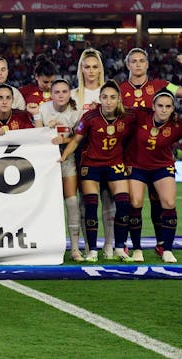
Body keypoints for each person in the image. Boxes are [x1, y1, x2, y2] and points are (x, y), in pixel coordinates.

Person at [119, 47, 182, 255]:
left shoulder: (160, 86)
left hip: (157, 155)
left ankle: (162, 242)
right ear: (127, 65)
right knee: (128, 202)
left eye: (142, 61)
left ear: (147, 64)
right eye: (133, 61)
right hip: (127, 156)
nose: (138, 64)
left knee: (159, 200)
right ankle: (125, 243)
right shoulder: (118, 90)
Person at [126, 92, 182, 263]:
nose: (163, 110)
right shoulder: (140, 115)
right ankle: (136, 248)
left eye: (168, 107)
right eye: (160, 106)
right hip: (137, 166)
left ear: (173, 109)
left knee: (169, 203)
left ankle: (166, 249)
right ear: (153, 106)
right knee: (135, 202)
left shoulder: (177, 124)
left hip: (162, 167)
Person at [59, 80, 136, 263]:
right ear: (100, 99)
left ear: (119, 100)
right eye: (105, 97)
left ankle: (119, 248)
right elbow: (76, 140)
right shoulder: (89, 117)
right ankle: (92, 250)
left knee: (124, 204)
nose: (108, 101)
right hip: (91, 164)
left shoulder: (128, 117)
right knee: (91, 205)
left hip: (115, 164)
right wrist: (63, 157)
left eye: (112, 97)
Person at [71, 47, 115, 259]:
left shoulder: (110, 94)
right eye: (87, 66)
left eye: (95, 66)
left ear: (100, 69)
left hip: (108, 150)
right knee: (85, 202)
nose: (91, 71)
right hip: (83, 152)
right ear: (81, 69)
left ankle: (109, 245)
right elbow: (70, 126)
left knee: (108, 200)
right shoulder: (72, 96)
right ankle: (89, 247)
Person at [41, 79, 83, 261]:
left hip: (67, 160)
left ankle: (75, 249)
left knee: (72, 202)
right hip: (44, 162)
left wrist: (64, 141)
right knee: (46, 205)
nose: (60, 95)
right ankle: (45, 247)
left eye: (64, 92)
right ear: (51, 94)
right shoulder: (42, 109)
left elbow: (79, 137)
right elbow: (33, 134)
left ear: (69, 94)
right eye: (56, 92)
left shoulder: (76, 112)